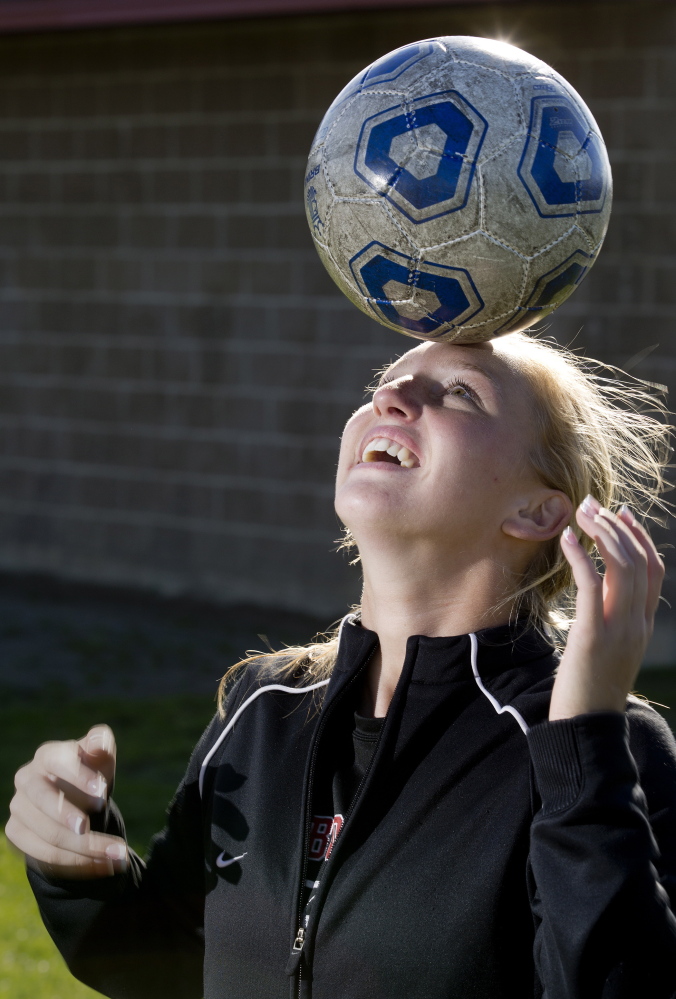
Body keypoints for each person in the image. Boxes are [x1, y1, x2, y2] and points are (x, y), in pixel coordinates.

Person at [6, 332, 676, 999]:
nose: (390, 395)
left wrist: (585, 736)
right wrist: (74, 859)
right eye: (385, 381)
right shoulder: (262, 706)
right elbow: (173, 964)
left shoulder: (593, 746)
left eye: (460, 393)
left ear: (537, 511)